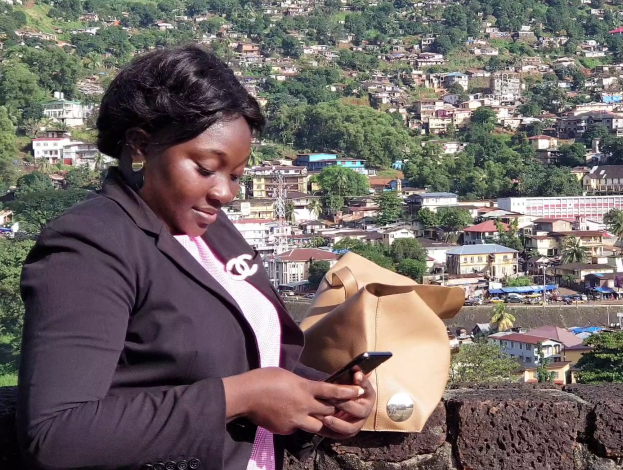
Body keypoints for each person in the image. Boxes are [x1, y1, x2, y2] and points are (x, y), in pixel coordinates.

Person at [16, 45, 376, 470]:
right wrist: (243, 396)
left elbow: (252, 359)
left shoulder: (215, 233)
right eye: (206, 168)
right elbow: (58, 435)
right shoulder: (91, 244)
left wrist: (322, 397)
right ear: (139, 146)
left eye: (236, 176)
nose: (224, 193)